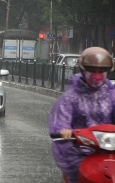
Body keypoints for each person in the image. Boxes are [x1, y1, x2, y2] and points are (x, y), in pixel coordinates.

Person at [48, 46, 115, 183]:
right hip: (80, 150)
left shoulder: (112, 95)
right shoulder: (70, 98)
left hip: (110, 149)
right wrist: (64, 132)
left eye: (101, 70)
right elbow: (60, 122)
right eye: (92, 70)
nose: (97, 74)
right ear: (83, 70)